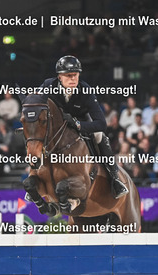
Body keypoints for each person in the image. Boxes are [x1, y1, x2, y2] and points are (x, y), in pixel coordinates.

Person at [39, 55, 128, 198]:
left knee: (99, 136)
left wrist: (77, 124)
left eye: (75, 75)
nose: (73, 79)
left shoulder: (85, 90)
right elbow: (36, 104)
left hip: (80, 123)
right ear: (59, 77)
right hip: (56, 127)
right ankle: (36, 175)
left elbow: (101, 123)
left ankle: (114, 178)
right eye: (68, 75)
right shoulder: (48, 85)